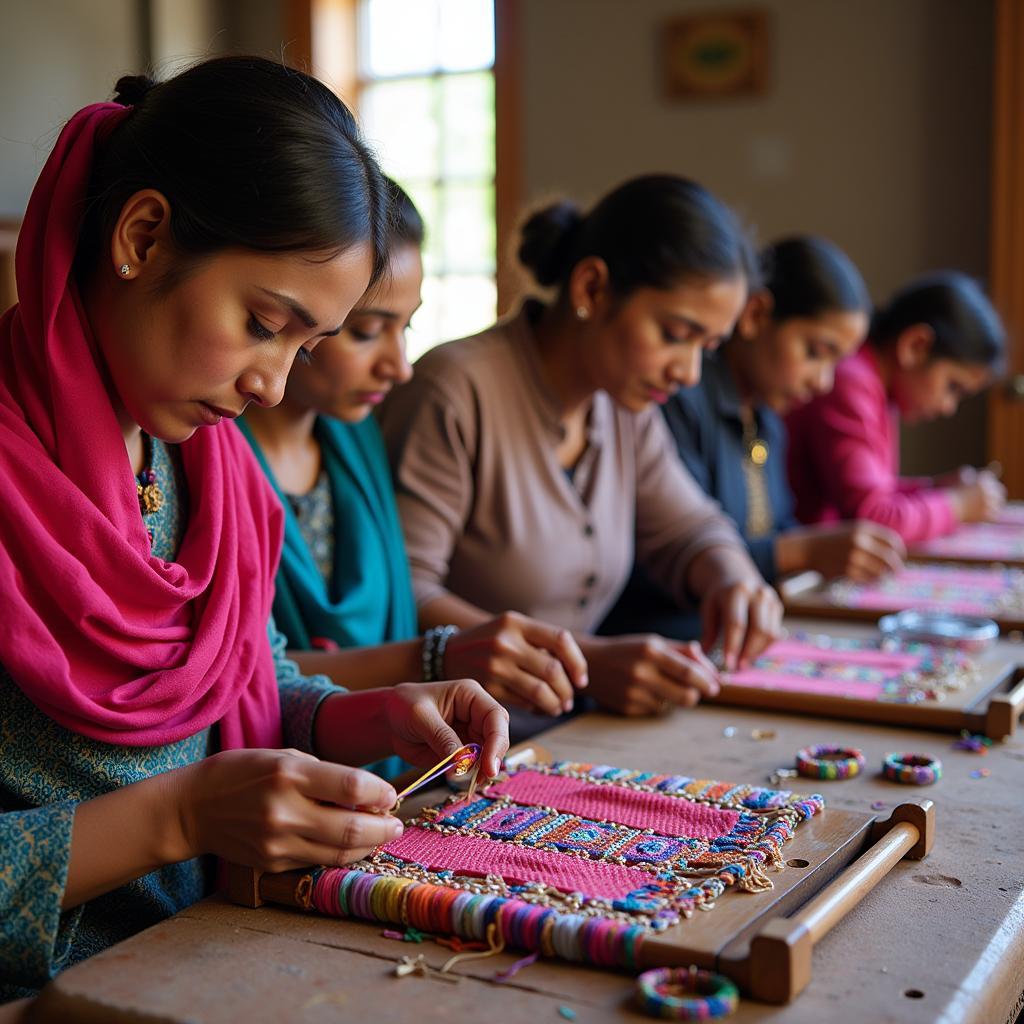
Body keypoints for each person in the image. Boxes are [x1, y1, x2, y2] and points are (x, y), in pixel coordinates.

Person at [0, 57, 507, 997]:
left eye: (306, 346)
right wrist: (177, 821)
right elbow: (188, 786)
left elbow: (250, 678)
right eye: (262, 323)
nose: (274, 384)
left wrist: (366, 715)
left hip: (210, 960)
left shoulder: (205, 466)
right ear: (144, 236)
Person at [379, 174, 783, 723]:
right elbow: (405, 595)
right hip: (455, 746)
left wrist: (733, 576)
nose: (688, 372)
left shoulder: (622, 406)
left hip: (569, 731)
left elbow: (688, 529)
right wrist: (588, 663)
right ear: (592, 288)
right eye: (673, 334)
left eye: (706, 348)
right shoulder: (456, 390)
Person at [239, 181, 587, 745]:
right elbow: (244, 678)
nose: (399, 368)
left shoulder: (355, 440)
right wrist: (434, 657)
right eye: (367, 332)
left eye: (407, 328)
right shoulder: (213, 455)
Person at [600, 236, 905, 640]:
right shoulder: (675, 400)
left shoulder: (766, 419)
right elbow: (658, 558)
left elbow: (774, 526)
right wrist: (806, 551)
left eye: (836, 362)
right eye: (815, 351)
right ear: (757, 314)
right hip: (662, 639)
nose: (823, 381)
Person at [787, 271, 1007, 543]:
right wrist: (958, 505)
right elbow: (873, 519)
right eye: (953, 387)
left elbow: (879, 493)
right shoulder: (851, 381)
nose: (949, 407)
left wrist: (934, 488)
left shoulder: (879, 389)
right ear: (916, 346)